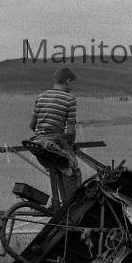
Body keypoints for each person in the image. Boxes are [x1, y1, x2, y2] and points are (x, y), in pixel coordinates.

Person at [28, 67, 80, 204]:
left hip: (38, 143)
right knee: (74, 172)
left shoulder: (40, 97)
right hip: (57, 140)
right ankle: (73, 206)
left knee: (57, 170)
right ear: (67, 81)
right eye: (73, 83)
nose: (73, 87)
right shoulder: (70, 100)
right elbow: (70, 132)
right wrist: (70, 146)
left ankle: (63, 205)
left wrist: (42, 131)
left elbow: (32, 125)